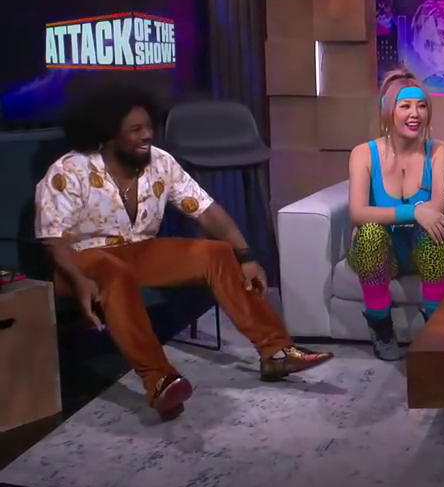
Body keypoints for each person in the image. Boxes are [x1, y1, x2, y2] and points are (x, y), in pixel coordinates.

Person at [34, 81, 332, 422]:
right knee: (114, 271)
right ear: (110, 135)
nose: (147, 135)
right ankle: (160, 381)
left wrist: (246, 255)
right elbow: (54, 240)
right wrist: (78, 279)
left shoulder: (161, 162)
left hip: (139, 251)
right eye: (136, 130)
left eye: (149, 126)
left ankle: (276, 352)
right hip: (78, 262)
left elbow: (207, 212)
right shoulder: (69, 171)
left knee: (216, 253)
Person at [346, 69, 444, 362]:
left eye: (421, 106)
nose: (415, 113)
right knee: (369, 232)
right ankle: (381, 326)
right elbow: (358, 212)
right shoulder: (363, 154)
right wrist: (415, 211)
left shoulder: (438, 150)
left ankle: (437, 327)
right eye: (405, 106)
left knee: (434, 230)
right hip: (383, 254)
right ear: (387, 111)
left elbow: (438, 208)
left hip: (421, 249)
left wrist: (421, 215)